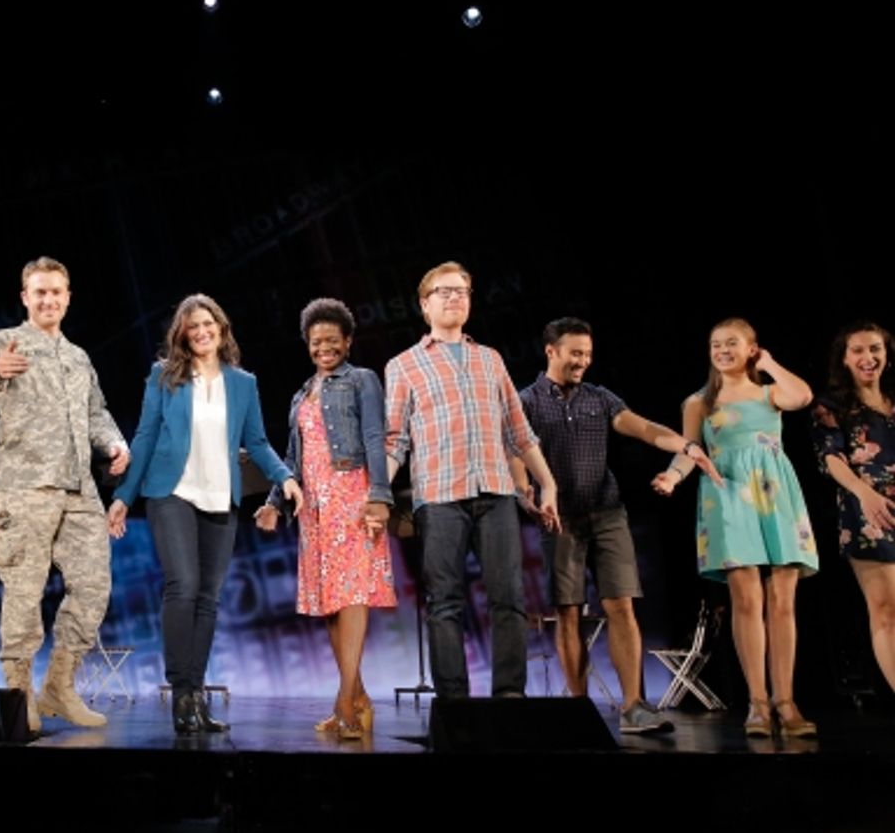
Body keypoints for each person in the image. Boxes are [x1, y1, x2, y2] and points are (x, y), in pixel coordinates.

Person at [512, 317, 723, 733]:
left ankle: (633, 706)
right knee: (569, 611)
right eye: (575, 353)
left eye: (588, 355)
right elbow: (517, 453)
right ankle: (578, 709)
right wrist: (526, 492)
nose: (583, 362)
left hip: (607, 512)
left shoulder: (599, 397)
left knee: (621, 606)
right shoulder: (527, 401)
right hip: (561, 520)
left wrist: (684, 444)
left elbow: (643, 428)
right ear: (551, 351)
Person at [109, 294, 303, 734]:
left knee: (208, 599)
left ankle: (196, 693)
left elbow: (256, 441)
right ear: (182, 334)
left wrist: (285, 478)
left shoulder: (243, 383)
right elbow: (143, 436)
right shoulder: (164, 376)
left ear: (221, 328)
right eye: (191, 326)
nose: (200, 332)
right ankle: (181, 694)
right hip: (171, 492)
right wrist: (124, 496)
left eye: (207, 324)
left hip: (220, 496)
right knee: (184, 585)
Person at [384, 260, 560, 699]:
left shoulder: (490, 358)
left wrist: (547, 483)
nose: (454, 298)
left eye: (461, 291)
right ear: (425, 305)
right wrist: (376, 495)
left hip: (496, 491)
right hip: (440, 496)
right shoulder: (404, 365)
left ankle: (509, 695)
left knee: (509, 598)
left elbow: (518, 430)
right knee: (444, 602)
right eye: (443, 291)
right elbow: (394, 440)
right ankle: (454, 702)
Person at [0, 257, 130, 733]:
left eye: (56, 292)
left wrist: (115, 442)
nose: (48, 299)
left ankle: (60, 685)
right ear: (24, 297)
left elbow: (96, 411)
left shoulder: (79, 357)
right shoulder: (3, 341)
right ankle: (20, 695)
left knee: (94, 586)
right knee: (24, 591)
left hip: (79, 488)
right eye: (39, 292)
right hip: (26, 486)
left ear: (68, 296)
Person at [653, 318, 819, 737]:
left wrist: (770, 363)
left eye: (732, 343)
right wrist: (672, 476)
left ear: (751, 349)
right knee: (746, 600)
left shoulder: (769, 392)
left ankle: (787, 701)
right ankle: (758, 704)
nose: (723, 350)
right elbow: (689, 451)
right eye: (715, 344)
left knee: (781, 599)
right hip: (727, 496)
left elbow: (803, 396)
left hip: (774, 494)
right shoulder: (699, 402)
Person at [252, 298, 392, 739]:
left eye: (332, 340)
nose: (324, 347)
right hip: (314, 510)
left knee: (351, 597)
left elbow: (375, 437)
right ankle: (360, 699)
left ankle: (345, 704)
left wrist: (379, 497)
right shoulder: (301, 394)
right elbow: (293, 457)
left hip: (352, 499)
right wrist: (275, 500)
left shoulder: (362, 381)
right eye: (316, 341)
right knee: (331, 607)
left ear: (348, 341)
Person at [811, 322, 895, 694]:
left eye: (875, 349)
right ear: (844, 359)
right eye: (858, 351)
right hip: (870, 513)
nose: (868, 358)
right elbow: (831, 459)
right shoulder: (831, 406)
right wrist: (867, 494)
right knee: (887, 612)